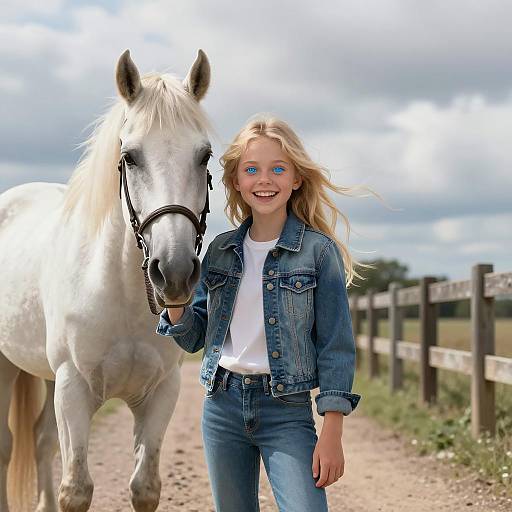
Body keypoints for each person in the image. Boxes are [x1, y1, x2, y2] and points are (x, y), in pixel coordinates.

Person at [156, 114, 375, 511]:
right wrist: (174, 304)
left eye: (278, 168)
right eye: (251, 169)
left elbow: (336, 346)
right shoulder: (220, 251)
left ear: (296, 179)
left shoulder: (318, 253)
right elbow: (193, 339)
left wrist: (333, 430)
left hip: (286, 410)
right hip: (221, 404)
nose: (265, 180)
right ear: (236, 181)